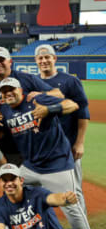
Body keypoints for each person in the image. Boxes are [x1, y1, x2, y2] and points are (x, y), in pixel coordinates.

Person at [0, 77, 100, 229]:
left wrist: (50, 110)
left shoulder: (36, 99)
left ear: (20, 90)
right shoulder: (3, 109)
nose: (8, 94)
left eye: (12, 90)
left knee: (72, 208)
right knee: (8, 188)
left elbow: (71, 104)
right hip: (30, 167)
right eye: (4, 92)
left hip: (57, 164)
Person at [35, 44, 90, 211]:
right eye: (40, 58)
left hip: (67, 146)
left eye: (47, 57)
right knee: (41, 190)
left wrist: (80, 142)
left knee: (74, 191)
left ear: (54, 59)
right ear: (36, 61)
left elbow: (83, 112)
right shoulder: (32, 82)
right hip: (43, 148)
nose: (44, 61)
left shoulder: (70, 81)